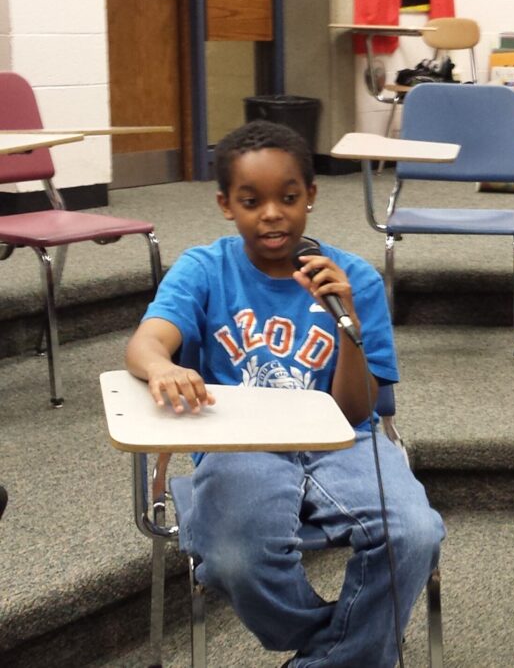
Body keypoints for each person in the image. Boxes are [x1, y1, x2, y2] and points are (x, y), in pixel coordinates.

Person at [125, 120, 444, 668]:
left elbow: (357, 409)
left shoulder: (355, 279)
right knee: (232, 559)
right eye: (252, 201)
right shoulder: (205, 269)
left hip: (341, 440)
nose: (272, 213)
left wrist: (349, 327)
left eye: (288, 198)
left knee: (415, 532)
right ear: (227, 204)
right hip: (240, 443)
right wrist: (159, 366)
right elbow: (147, 342)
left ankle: (330, 659)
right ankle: (351, 648)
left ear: (311, 197)